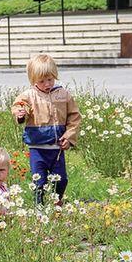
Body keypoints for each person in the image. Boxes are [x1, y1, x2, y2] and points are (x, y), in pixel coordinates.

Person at [11, 54, 81, 205]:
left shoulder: (64, 95)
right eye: (41, 81)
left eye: (50, 79)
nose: (47, 84)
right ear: (32, 80)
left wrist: (69, 137)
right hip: (37, 148)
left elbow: (74, 117)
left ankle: (57, 202)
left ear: (55, 75)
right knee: (39, 181)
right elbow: (19, 106)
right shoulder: (29, 96)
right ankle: (39, 207)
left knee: (61, 180)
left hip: (57, 148)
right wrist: (20, 113)